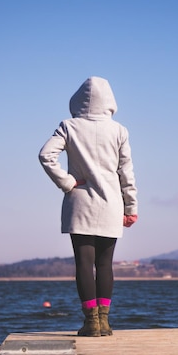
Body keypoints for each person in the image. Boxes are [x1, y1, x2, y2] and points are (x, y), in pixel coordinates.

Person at [39, 76, 138, 337]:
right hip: (111, 203)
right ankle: (104, 322)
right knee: (105, 264)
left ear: (77, 99)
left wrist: (68, 182)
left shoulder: (69, 126)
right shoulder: (119, 130)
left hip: (80, 201)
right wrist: (131, 207)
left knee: (84, 263)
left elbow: (45, 155)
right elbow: (125, 172)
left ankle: (91, 322)